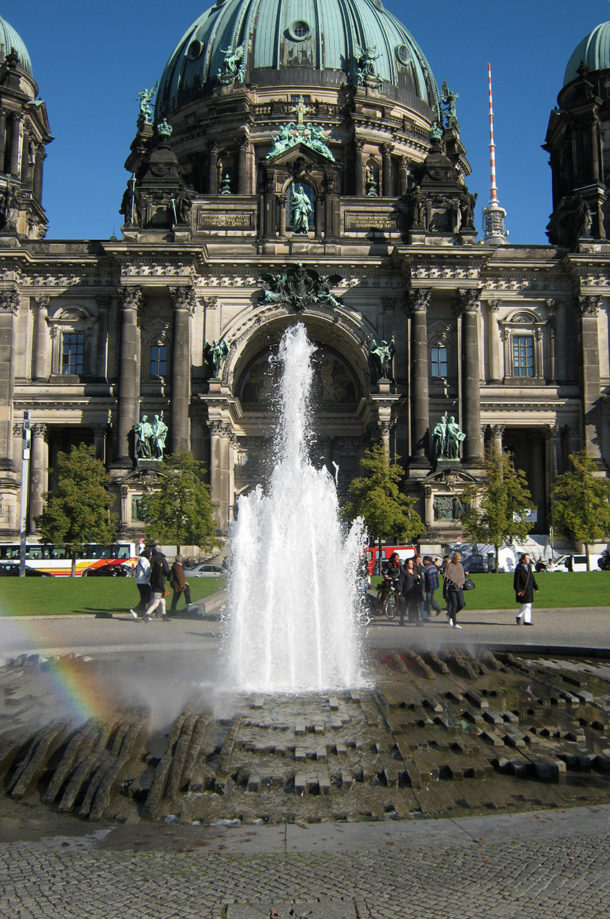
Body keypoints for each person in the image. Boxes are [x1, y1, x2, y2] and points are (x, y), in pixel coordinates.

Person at [141, 544, 171, 622]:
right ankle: (146, 614)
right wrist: (163, 589)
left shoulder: (154, 571)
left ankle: (164, 615)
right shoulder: (159, 572)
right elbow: (160, 581)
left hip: (155, 587)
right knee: (156, 603)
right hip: (158, 589)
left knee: (163, 602)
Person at [443, 551, 467, 629]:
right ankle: (455, 623)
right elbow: (445, 576)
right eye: (457, 559)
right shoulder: (449, 566)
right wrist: (453, 583)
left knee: (461, 604)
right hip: (452, 588)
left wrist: (462, 580)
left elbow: (461, 576)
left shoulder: (460, 566)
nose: (459, 561)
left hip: (459, 588)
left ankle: (450, 615)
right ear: (454, 559)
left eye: (459, 559)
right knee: (454, 604)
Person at [514, 553, 539, 625]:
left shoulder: (529, 567)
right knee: (527, 604)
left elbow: (531, 577)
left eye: (529, 558)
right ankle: (519, 616)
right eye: (527, 558)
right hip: (522, 589)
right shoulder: (519, 569)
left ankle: (527, 620)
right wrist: (518, 590)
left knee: (528, 605)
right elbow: (516, 580)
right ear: (523, 560)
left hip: (529, 588)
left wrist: (535, 586)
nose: (528, 560)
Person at [400, 557, 423, 626]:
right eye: (410, 563)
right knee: (405, 607)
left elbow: (419, 581)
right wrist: (399, 590)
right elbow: (401, 582)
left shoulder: (415, 572)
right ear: (407, 564)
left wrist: (419, 578)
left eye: (412, 563)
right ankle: (401, 620)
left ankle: (418, 621)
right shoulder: (404, 572)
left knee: (415, 607)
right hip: (407, 592)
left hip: (414, 591)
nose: (411, 565)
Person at [377, 551, 402, 616]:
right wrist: (385, 575)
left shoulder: (399, 564)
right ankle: (380, 608)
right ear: (393, 558)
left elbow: (402, 571)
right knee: (385, 592)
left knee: (398, 593)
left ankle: (397, 609)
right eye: (396, 558)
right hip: (389, 578)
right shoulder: (389, 564)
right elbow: (384, 570)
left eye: (398, 558)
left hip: (396, 579)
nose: (397, 559)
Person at [130, 547, 151, 619]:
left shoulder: (140, 560)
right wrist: (150, 577)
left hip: (139, 581)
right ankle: (135, 610)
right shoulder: (145, 560)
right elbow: (147, 571)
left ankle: (142, 614)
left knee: (143, 598)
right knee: (148, 597)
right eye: (150, 555)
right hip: (144, 581)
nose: (150, 557)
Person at [413, 554, 427, 620]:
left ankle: (424, 617)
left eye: (419, 560)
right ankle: (414, 617)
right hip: (414, 586)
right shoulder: (413, 566)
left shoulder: (421, 566)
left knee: (422, 601)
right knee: (414, 603)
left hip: (421, 585)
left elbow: (423, 573)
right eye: (417, 559)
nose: (419, 561)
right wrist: (416, 575)